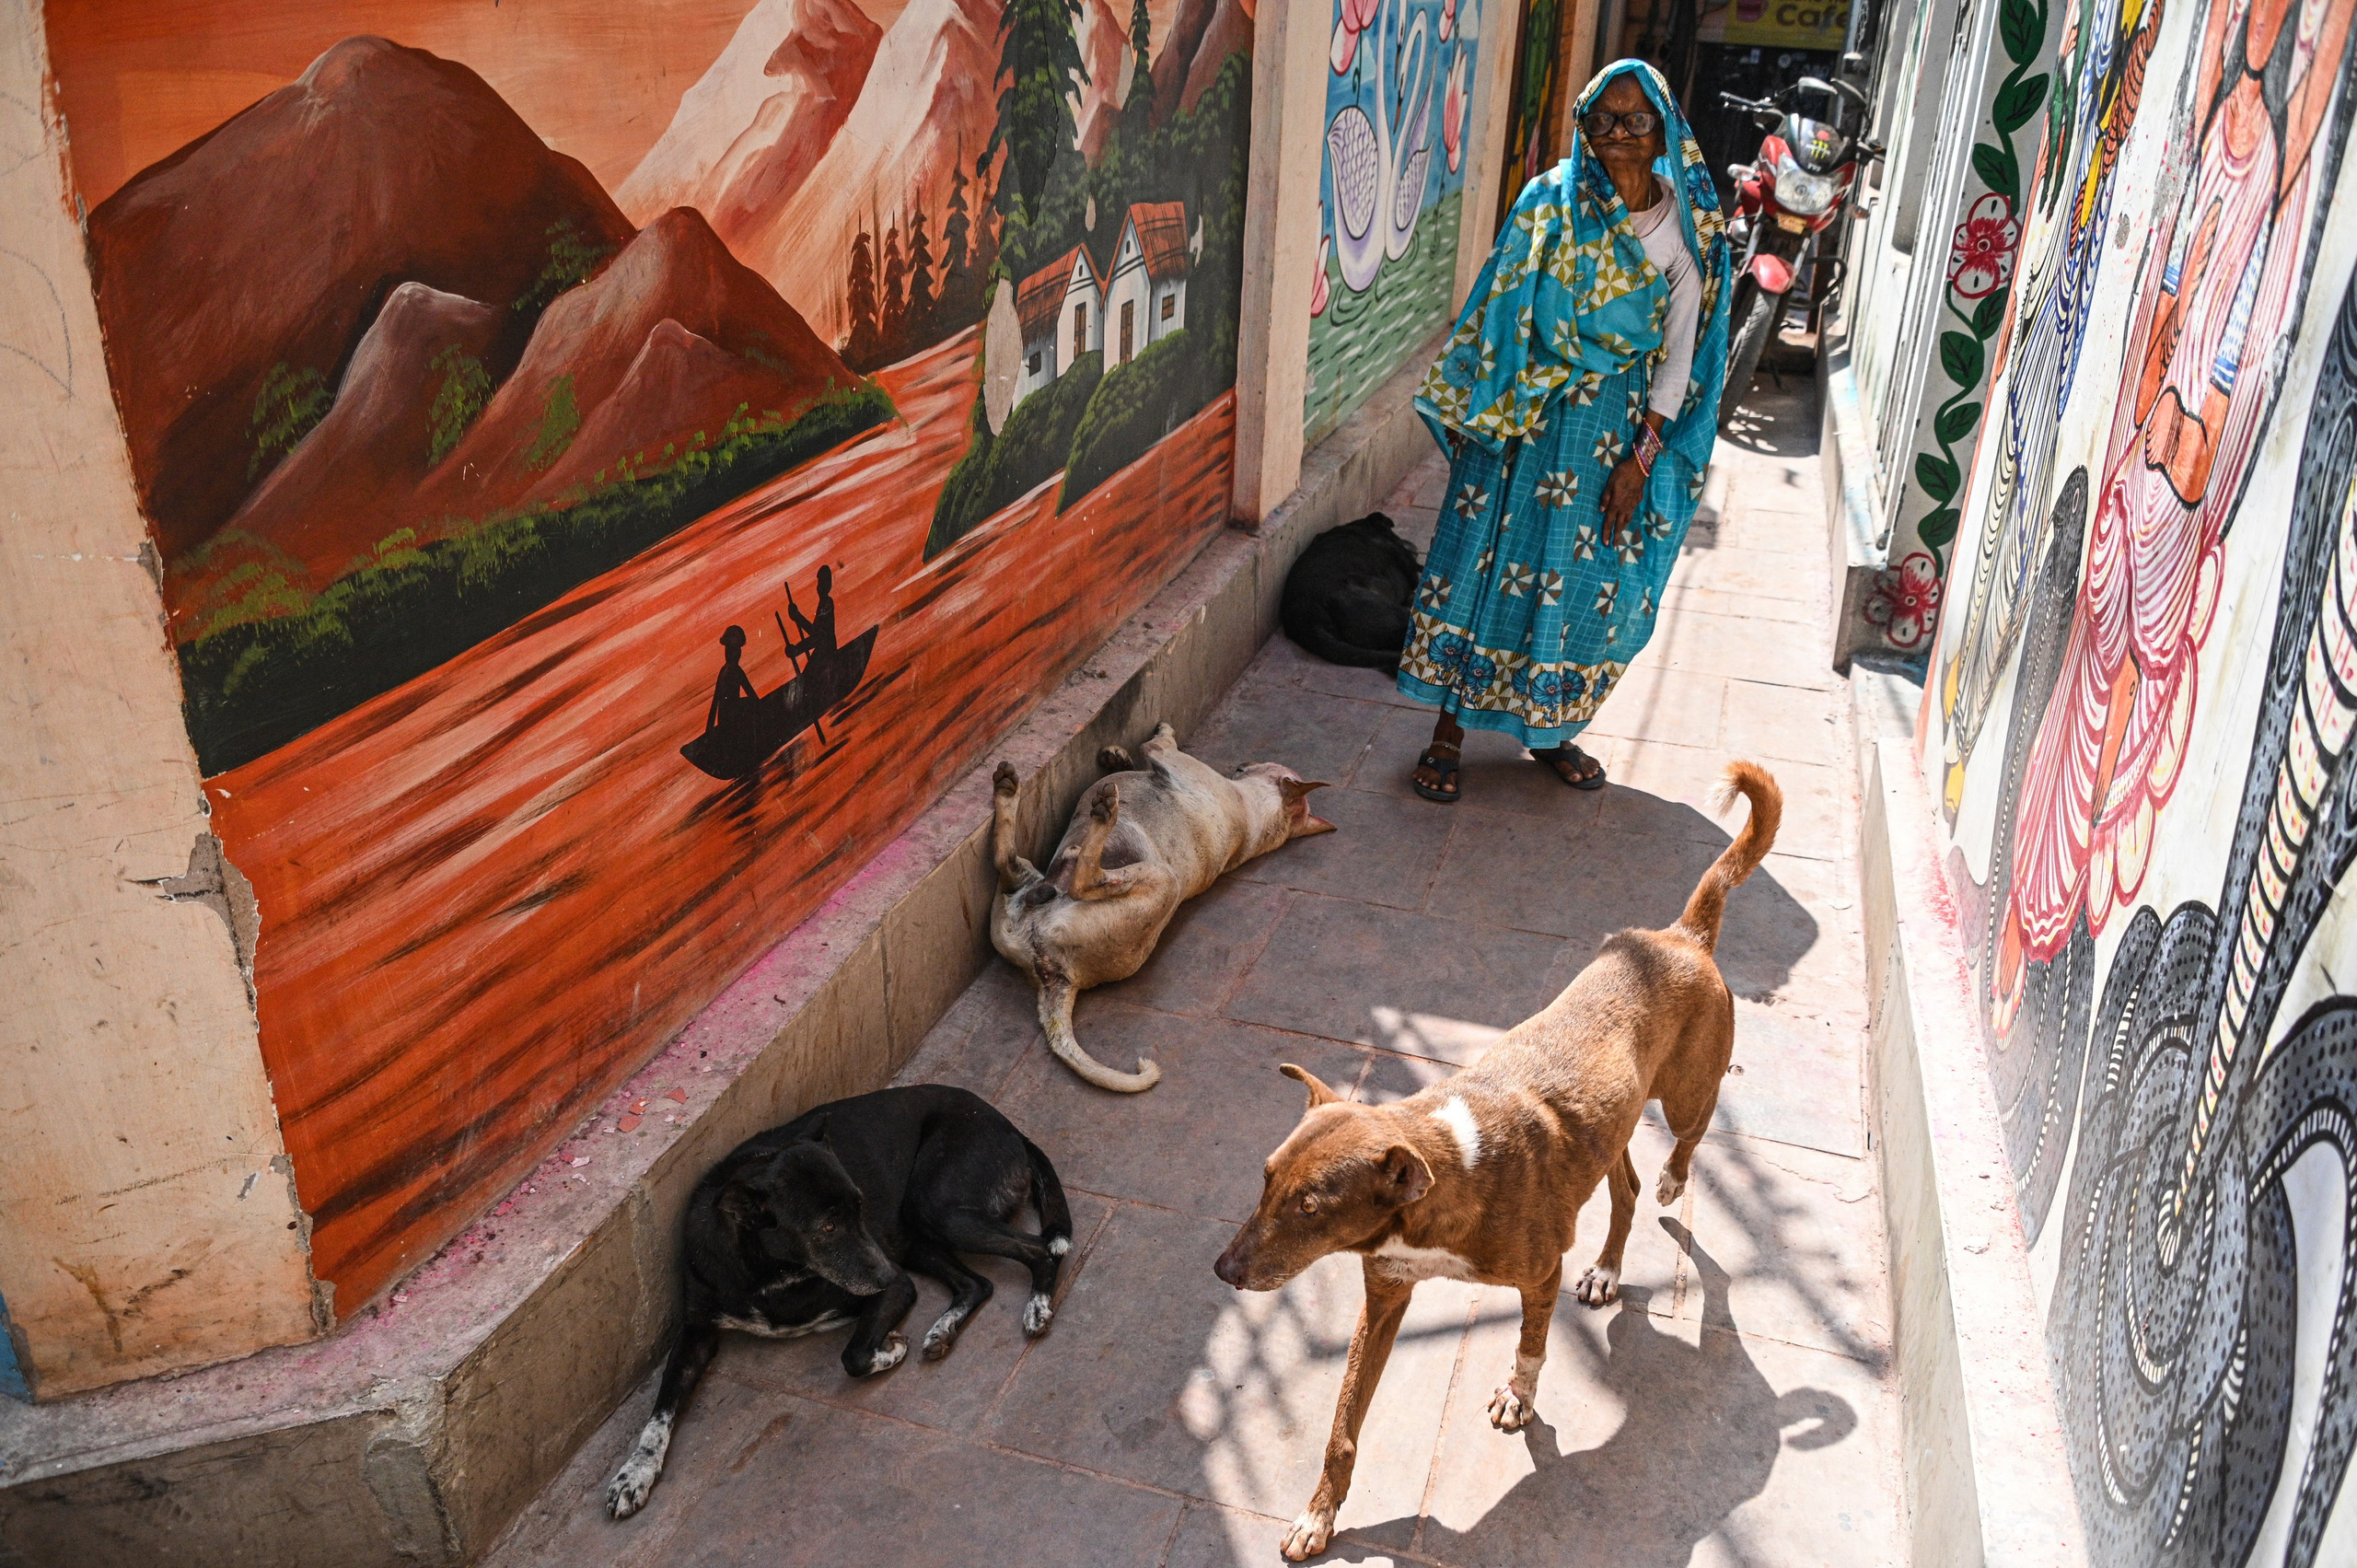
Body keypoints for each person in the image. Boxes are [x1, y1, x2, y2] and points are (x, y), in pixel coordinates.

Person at [1400, 60, 1731, 801]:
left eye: (1635, 122)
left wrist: (1639, 463)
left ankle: (1547, 731)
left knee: (1582, 584)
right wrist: (1488, 410)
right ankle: (1447, 734)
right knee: (1485, 565)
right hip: (1522, 424)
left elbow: (1679, 360)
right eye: (1602, 120)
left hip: (1605, 442)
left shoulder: (1683, 232)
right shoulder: (1548, 203)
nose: (1618, 136)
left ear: (1663, 135)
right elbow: (1499, 310)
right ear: (1583, 127)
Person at [706, 625, 758, 733]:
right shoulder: (734, 670)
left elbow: (715, 703)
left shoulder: (724, 670)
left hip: (726, 720)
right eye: (733, 649)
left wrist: (709, 729)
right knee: (751, 703)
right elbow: (753, 696)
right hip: (731, 721)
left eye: (737, 649)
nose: (737, 652)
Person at [783, 564, 838, 663]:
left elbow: (818, 635)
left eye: (820, 583)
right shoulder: (823, 603)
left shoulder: (827, 604)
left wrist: (797, 650)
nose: (818, 587)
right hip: (823, 649)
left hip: (827, 651)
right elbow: (815, 632)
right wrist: (797, 617)